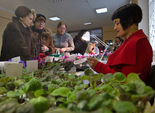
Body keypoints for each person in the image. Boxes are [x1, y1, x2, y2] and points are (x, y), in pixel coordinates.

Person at [87, 3, 153, 83]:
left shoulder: (137, 43)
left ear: (130, 20)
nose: (115, 28)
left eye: (117, 23)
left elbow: (125, 81)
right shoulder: (132, 41)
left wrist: (98, 66)